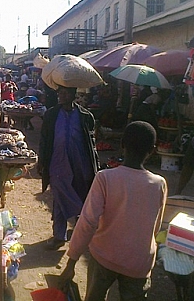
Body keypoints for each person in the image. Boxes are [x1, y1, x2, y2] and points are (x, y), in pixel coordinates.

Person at [58, 121, 167, 301]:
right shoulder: (159, 184)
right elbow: (155, 226)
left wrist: (72, 261)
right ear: (153, 150)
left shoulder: (105, 178)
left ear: (122, 144)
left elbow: (88, 222)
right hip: (139, 262)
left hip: (104, 257)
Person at [38, 85, 99, 250]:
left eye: (65, 93)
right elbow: (44, 140)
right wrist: (41, 161)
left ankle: (68, 233)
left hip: (80, 163)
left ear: (73, 94)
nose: (61, 95)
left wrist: (96, 165)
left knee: (78, 194)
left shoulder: (86, 116)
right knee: (58, 193)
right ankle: (62, 233)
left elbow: (92, 144)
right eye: (59, 92)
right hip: (57, 162)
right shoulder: (51, 114)